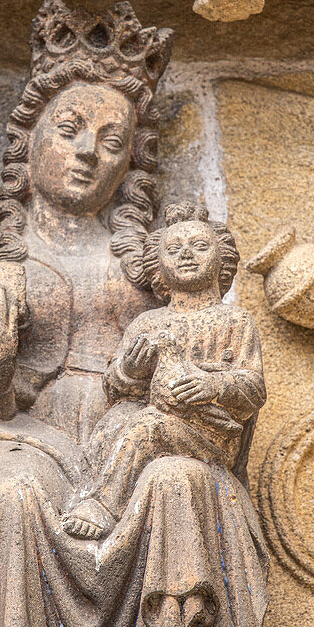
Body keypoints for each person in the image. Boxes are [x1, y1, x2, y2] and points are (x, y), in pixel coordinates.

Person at [0, 0, 275, 627]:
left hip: (143, 426)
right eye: (69, 132)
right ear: (29, 145)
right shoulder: (1, 267)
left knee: (179, 480)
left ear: (134, 162)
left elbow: (210, 356)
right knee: (5, 493)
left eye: (112, 141)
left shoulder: (153, 262)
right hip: (37, 433)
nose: (89, 154)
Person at [64, 202, 265, 541]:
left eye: (200, 246)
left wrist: (212, 385)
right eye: (174, 249)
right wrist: (131, 370)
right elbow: (114, 387)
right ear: (158, 264)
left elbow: (253, 387)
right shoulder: (147, 322)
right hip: (155, 416)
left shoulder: (234, 320)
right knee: (117, 423)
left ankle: (103, 504)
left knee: (147, 427)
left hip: (210, 431)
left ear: (223, 260)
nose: (186, 254)